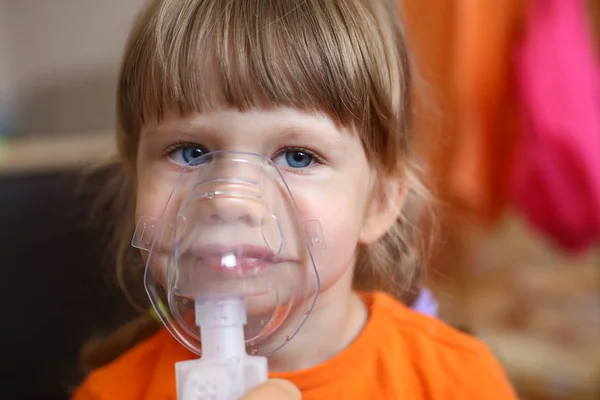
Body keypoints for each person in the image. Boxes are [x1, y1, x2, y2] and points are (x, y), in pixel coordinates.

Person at [73, 0, 517, 398]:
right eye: (191, 151)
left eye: (298, 156)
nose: (230, 201)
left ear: (380, 200)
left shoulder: (456, 382)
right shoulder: (111, 392)